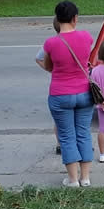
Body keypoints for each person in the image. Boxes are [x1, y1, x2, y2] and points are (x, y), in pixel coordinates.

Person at [41, 0, 96, 186]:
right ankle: (85, 178)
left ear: (57, 19)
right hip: (84, 93)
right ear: (75, 18)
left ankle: (72, 180)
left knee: (66, 136)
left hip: (60, 94)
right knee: (83, 133)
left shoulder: (50, 43)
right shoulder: (86, 37)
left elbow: (48, 66)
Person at [35, 18, 63, 155]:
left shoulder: (50, 43)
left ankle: (59, 144)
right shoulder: (77, 39)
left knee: (58, 119)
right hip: (74, 84)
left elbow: (38, 58)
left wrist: (50, 69)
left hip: (58, 86)